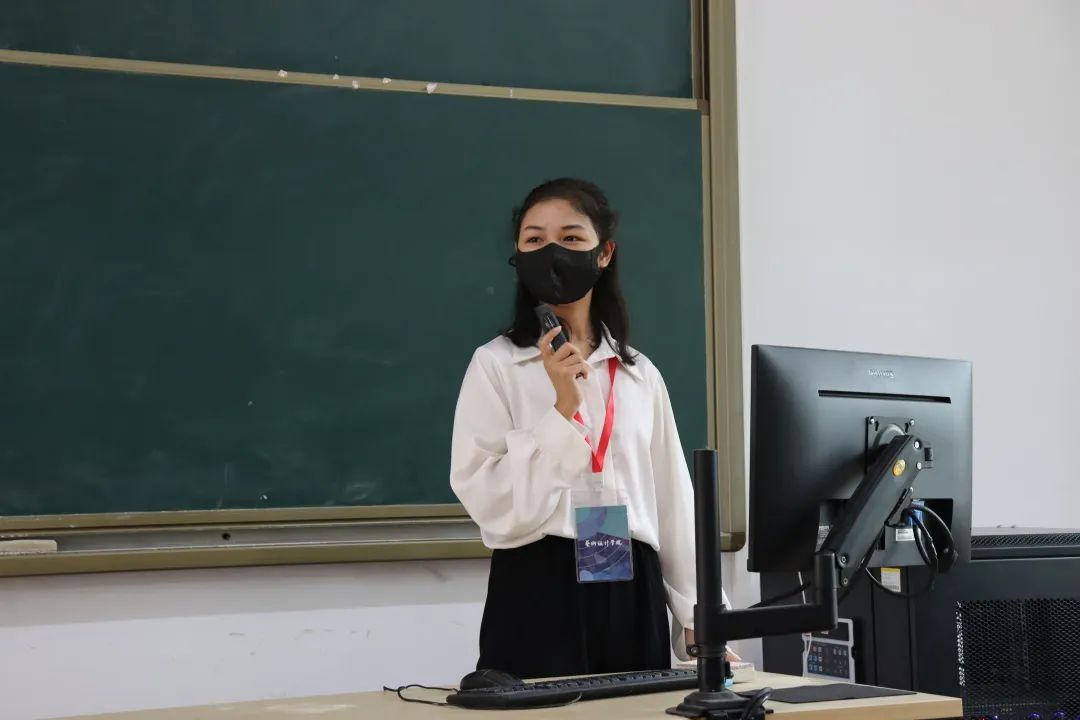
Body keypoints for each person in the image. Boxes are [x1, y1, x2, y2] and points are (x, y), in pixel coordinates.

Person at [449, 178, 731, 679]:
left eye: (571, 238)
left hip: (632, 587)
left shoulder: (639, 374)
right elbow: (486, 497)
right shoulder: (496, 365)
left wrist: (700, 618)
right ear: (518, 255)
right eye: (535, 240)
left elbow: (673, 502)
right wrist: (562, 409)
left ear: (604, 254)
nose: (552, 252)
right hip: (538, 583)